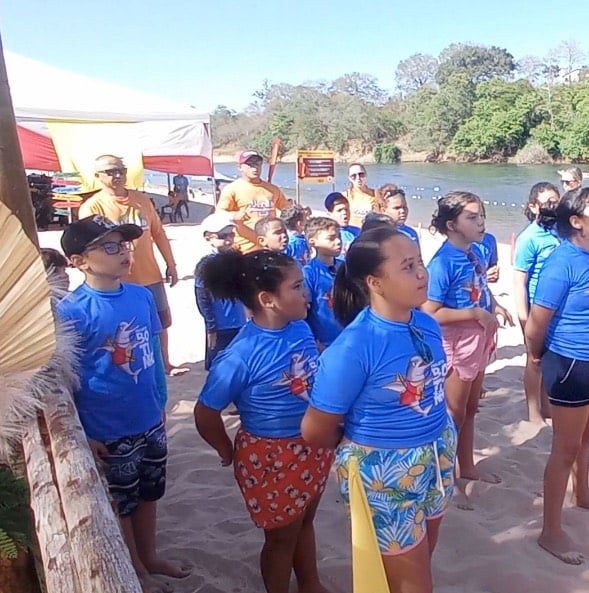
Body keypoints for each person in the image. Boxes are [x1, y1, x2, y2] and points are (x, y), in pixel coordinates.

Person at [300, 226, 456, 593]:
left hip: (437, 454)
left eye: (420, 262)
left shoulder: (426, 323)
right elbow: (315, 429)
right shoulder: (354, 347)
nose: (422, 273)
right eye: (407, 267)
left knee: (419, 559)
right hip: (386, 469)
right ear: (376, 282)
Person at [55, 215, 193, 591]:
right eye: (110, 247)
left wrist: (159, 403)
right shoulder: (72, 311)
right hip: (107, 426)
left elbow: (150, 353)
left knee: (150, 493)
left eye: (125, 245)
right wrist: (83, 431)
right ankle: (136, 568)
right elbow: (65, 379)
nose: (123, 254)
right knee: (122, 503)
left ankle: (149, 556)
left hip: (148, 417)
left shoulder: (140, 295)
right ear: (80, 260)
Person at [193, 249, 330, 593]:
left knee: (305, 520)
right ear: (268, 299)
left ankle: (310, 584)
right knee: (281, 537)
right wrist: (227, 450)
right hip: (272, 456)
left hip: (312, 446)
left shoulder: (299, 327)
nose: (306, 293)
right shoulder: (241, 354)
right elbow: (206, 412)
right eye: (297, 287)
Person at [525, 185, 589, 565]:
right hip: (570, 363)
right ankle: (550, 531)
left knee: (586, 435)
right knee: (564, 447)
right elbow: (537, 322)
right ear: (578, 222)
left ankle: (582, 494)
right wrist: (536, 358)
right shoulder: (560, 263)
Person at [423, 192, 513, 497]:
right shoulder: (442, 262)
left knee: (471, 408)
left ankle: (466, 465)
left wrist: (494, 305)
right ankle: (444, 476)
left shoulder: (474, 253)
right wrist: (474, 313)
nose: (481, 223)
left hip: (478, 340)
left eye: (482, 216)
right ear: (452, 224)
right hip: (456, 343)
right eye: (472, 218)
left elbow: (480, 287)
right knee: (453, 412)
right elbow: (430, 312)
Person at [78, 155, 184, 380]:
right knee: (125, 327)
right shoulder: (93, 206)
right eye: (109, 172)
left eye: (120, 170)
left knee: (160, 322)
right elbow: (89, 247)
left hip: (150, 273)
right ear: (98, 176)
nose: (116, 175)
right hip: (119, 280)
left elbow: (158, 232)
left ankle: (164, 363)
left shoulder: (141, 199)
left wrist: (171, 264)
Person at [513, 182, 561, 423]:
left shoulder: (561, 231)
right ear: (534, 207)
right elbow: (519, 282)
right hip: (536, 309)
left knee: (549, 360)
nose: (554, 206)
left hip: (558, 310)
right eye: (548, 203)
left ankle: (548, 407)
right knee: (534, 360)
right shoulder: (529, 238)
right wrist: (524, 320)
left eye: (556, 201)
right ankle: (534, 412)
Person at [195, 213, 247, 370]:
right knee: (219, 365)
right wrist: (211, 326)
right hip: (220, 325)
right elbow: (202, 298)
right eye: (223, 235)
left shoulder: (236, 260)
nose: (229, 240)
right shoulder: (206, 264)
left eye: (231, 234)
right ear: (208, 237)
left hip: (239, 322)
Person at [217, 151, 289, 254]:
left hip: (269, 247)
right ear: (240, 167)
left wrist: (300, 211)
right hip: (244, 247)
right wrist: (234, 215)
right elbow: (219, 214)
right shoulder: (232, 189)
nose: (255, 168)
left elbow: (287, 210)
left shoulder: (272, 189)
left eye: (257, 164)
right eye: (250, 164)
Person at [303, 216, 345, 350]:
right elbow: (304, 310)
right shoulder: (309, 272)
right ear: (313, 242)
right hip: (324, 342)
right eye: (331, 238)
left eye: (339, 237)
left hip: (349, 338)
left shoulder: (345, 267)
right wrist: (312, 340)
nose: (338, 241)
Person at [324, 192, 361, 256]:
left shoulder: (359, 232)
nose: (344, 213)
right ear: (330, 214)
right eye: (339, 210)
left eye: (346, 209)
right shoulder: (325, 234)